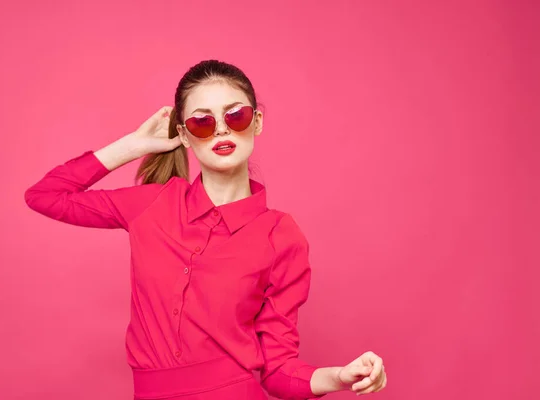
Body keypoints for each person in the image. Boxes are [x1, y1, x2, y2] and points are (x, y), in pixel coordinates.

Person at [24, 60, 387, 400]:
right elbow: (45, 196)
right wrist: (132, 146)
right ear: (184, 134)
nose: (223, 129)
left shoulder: (281, 235)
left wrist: (340, 376)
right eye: (202, 122)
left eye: (236, 115)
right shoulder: (152, 205)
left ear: (257, 122)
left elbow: (277, 369)